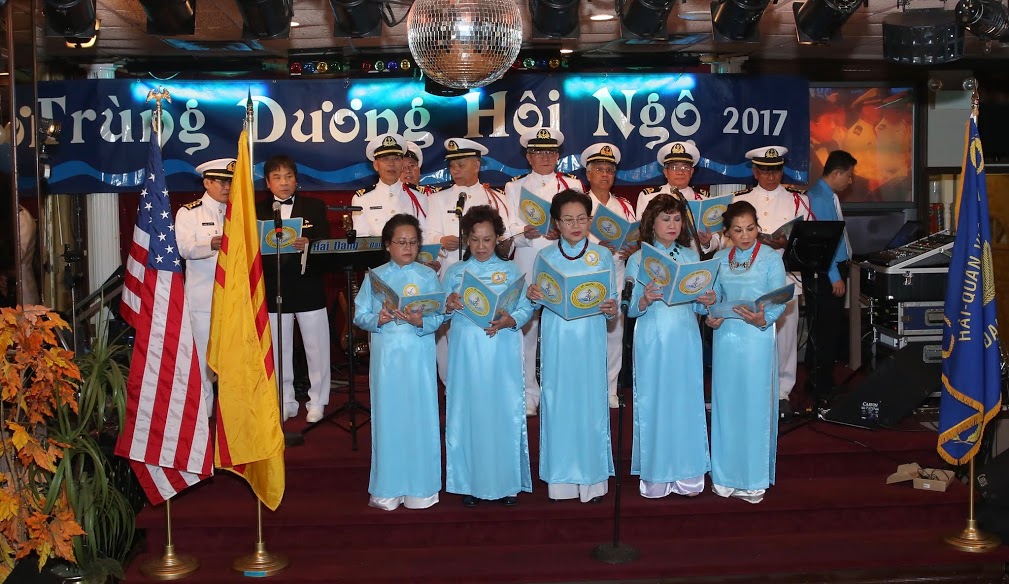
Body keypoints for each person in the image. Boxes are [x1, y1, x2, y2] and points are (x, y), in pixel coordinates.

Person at [526, 189, 617, 503]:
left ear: (590, 220)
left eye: (581, 219)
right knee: (560, 403)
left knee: (590, 405)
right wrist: (533, 296)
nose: (575, 225)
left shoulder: (602, 256)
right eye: (568, 220)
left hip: (590, 338)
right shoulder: (545, 257)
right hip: (558, 340)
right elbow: (535, 302)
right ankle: (561, 481)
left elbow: (612, 301)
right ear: (556, 223)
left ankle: (592, 480)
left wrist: (611, 308)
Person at [443, 206, 533, 507]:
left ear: (498, 239)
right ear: (466, 240)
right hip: (466, 353)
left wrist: (511, 319)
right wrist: (448, 304)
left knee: (503, 411)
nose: (481, 246)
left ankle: (507, 483)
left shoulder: (510, 270)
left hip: (501, 350)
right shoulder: (455, 272)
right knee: (468, 412)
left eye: (487, 239)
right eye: (475, 240)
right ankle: (469, 482)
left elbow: (525, 307)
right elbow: (438, 312)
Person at [353, 214, 445, 511]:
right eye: (401, 242)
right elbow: (359, 315)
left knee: (420, 417)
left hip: (418, 356)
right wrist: (377, 318)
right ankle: (388, 488)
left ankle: (422, 488)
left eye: (413, 242)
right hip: (387, 360)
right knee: (388, 418)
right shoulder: (375, 277)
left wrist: (422, 321)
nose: (408, 247)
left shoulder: (428, 276)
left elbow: (440, 314)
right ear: (388, 245)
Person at [626, 194, 715, 498]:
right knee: (654, 400)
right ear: (651, 223)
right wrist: (644, 299)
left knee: (686, 400)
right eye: (665, 219)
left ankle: (688, 472)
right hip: (651, 337)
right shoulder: (638, 259)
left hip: (685, 337)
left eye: (677, 219)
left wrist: (707, 300)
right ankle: (657, 473)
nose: (672, 224)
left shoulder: (691, 257)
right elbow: (628, 308)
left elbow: (700, 307)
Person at [705, 201, 787, 504]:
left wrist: (763, 318)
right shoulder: (718, 258)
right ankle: (724, 475)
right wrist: (710, 314)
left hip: (757, 337)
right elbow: (713, 297)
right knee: (726, 405)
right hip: (726, 337)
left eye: (750, 229)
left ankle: (753, 478)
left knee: (754, 405)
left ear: (758, 228)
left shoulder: (770, 258)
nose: (745, 235)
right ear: (727, 232)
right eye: (737, 230)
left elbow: (779, 299)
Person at [504, 127, 584, 416]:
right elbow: (508, 228)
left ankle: (560, 391)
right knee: (526, 330)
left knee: (562, 330)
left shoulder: (572, 184)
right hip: (528, 262)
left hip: (564, 262)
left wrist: (562, 231)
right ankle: (528, 393)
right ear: (528, 156)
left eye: (551, 152)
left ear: (558, 155)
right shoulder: (514, 187)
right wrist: (526, 232)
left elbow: (581, 224)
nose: (545, 157)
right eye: (538, 152)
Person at [733, 146, 813, 421]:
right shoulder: (740, 199)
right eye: (765, 171)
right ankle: (751, 388)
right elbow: (729, 237)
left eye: (776, 170)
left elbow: (811, 240)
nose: (771, 176)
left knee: (786, 337)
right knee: (749, 334)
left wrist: (789, 243)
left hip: (786, 276)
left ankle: (782, 392)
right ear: (755, 171)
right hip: (749, 277)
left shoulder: (798, 200)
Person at [428, 137, 514, 385]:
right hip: (450, 276)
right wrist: (440, 240)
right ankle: (451, 385)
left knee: (484, 334)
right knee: (446, 336)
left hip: (488, 280)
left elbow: (506, 239)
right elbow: (427, 235)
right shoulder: (437, 199)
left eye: (461, 165)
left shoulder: (495, 198)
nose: (455, 170)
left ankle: (484, 383)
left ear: (477, 165)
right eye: (452, 165)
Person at [255, 154, 331, 423]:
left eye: (288, 176)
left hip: (308, 285)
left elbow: (326, 242)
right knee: (279, 349)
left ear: (296, 180)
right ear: (268, 183)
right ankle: (285, 399)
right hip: (273, 287)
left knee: (316, 348)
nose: (284, 182)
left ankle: (317, 401)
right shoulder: (257, 210)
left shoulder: (314, 206)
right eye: (277, 177)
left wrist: (309, 243)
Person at [176, 158, 234, 414]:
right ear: (207, 182)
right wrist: (211, 244)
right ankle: (204, 411)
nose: (227, 187)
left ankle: (230, 411)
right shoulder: (190, 212)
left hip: (233, 297)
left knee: (233, 357)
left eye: (230, 182)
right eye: (221, 181)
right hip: (204, 298)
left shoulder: (238, 211)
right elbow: (184, 248)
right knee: (203, 358)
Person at [580, 142, 635, 409]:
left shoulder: (624, 205)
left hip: (618, 272)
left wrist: (632, 247)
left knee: (615, 333)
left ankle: (611, 388)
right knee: (587, 333)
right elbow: (568, 238)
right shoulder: (579, 203)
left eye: (610, 170)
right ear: (588, 174)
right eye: (599, 169)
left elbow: (636, 236)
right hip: (587, 273)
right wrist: (596, 246)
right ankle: (588, 387)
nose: (605, 174)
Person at [805, 150, 855, 399]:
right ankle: (821, 384)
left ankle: (818, 380)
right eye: (849, 175)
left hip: (828, 270)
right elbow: (825, 241)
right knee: (826, 330)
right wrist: (834, 274)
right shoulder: (819, 198)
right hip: (825, 272)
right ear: (836, 173)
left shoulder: (826, 196)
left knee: (825, 328)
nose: (850, 181)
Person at [353, 133, 428, 236]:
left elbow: (425, 235)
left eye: (396, 159)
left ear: (402, 164)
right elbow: (361, 238)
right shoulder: (362, 199)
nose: (391, 164)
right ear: (376, 165)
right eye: (385, 159)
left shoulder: (418, 196)